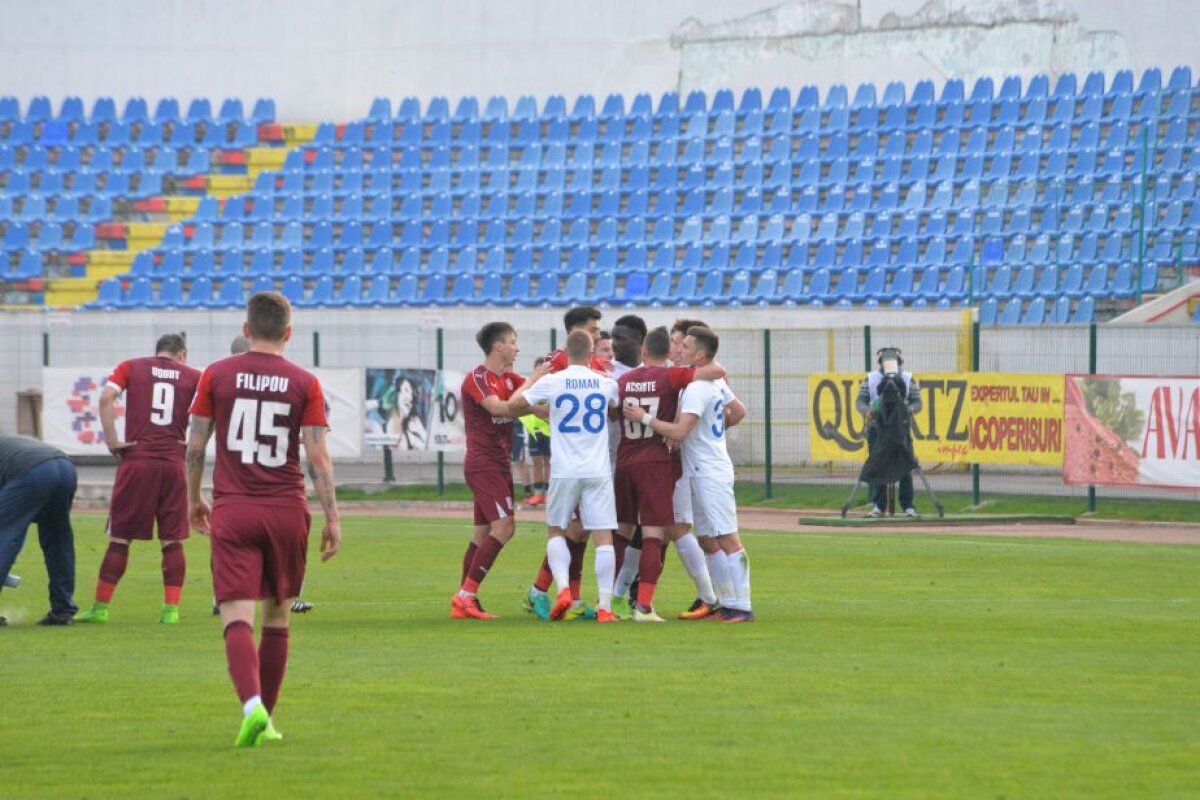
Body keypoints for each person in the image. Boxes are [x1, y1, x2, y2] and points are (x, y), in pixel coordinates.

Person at [186, 291, 341, 747]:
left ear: (247, 329)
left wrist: (194, 498)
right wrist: (333, 518)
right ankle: (265, 719)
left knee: (235, 615)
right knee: (277, 619)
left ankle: (251, 708)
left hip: (234, 509)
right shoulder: (304, 382)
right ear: (289, 333)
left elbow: (194, 446)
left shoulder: (216, 374)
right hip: (286, 510)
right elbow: (318, 457)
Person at [624, 326, 755, 622]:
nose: (678, 348)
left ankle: (743, 606)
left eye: (685, 345)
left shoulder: (698, 387)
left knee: (728, 538)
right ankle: (726, 603)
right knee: (709, 538)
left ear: (700, 354)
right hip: (699, 469)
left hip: (710, 470)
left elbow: (681, 432)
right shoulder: (711, 381)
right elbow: (736, 411)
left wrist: (645, 418)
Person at [77, 333, 201, 625]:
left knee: (120, 538)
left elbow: (107, 397)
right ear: (182, 353)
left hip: (138, 460)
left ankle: (100, 608)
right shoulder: (195, 375)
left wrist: (112, 440)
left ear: (157, 350)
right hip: (173, 462)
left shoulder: (131, 366)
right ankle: (170, 611)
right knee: (172, 540)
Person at [507, 330, 621, 622]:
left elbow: (516, 404)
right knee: (603, 534)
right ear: (593, 351)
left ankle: (563, 591)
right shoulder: (606, 383)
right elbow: (615, 406)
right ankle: (606, 607)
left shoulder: (553, 381)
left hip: (564, 470)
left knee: (556, 530)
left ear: (566, 352)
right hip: (598, 470)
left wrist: (542, 405)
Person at [613, 327, 716, 622]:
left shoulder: (624, 380)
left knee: (623, 531)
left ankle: (612, 599)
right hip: (655, 463)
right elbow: (713, 370)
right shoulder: (671, 377)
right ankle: (643, 606)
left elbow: (611, 410)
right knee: (653, 535)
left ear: (643, 352)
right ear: (668, 353)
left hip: (624, 462)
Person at [524, 305, 608, 620]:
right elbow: (528, 400)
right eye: (594, 330)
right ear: (577, 332)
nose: (599, 335)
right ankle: (540, 591)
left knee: (581, 531)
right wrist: (547, 414)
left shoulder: (595, 364)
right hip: (568, 460)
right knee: (570, 530)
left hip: (591, 459)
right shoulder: (556, 363)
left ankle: (569, 598)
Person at [451, 321, 538, 620]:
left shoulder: (513, 380)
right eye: (513, 342)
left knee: (482, 534)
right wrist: (536, 379)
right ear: (498, 346)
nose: (517, 348)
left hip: (499, 465)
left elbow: (532, 404)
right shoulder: (477, 378)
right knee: (505, 528)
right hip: (482, 464)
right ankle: (466, 596)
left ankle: (464, 598)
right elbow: (500, 409)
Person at [0, 436, 78, 626]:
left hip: (32, 471)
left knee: (5, 537)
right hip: (65, 467)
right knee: (58, 540)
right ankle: (63, 610)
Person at [855, 347, 923, 517]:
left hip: (900, 430)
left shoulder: (907, 379)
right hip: (877, 431)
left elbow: (918, 403)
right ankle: (878, 506)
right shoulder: (870, 379)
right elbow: (860, 401)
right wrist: (867, 411)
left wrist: (907, 409)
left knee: (906, 465)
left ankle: (908, 506)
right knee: (878, 466)